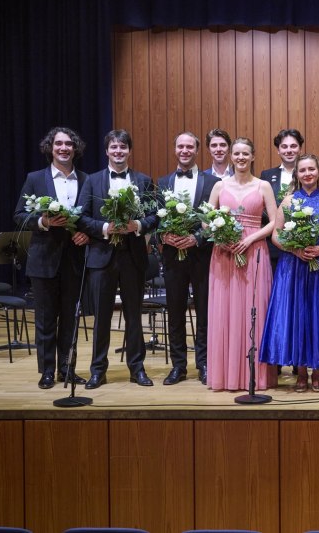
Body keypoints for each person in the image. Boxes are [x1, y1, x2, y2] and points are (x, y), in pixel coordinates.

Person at [260, 154, 319, 392]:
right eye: (302, 170)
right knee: (297, 316)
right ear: (296, 175)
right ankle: (300, 371)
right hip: (294, 266)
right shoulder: (288, 201)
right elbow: (276, 234)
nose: (307, 174)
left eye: (311, 169)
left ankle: (317, 371)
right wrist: (294, 249)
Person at [78, 129, 157, 389]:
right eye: (114, 147)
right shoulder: (92, 180)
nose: (118, 151)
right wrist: (105, 228)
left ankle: (137, 368)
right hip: (102, 257)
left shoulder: (144, 180)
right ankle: (98, 371)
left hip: (133, 257)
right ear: (107, 151)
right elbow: (81, 216)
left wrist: (137, 225)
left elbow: (155, 215)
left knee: (134, 315)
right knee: (101, 317)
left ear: (129, 151)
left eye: (123, 147)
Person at [12, 127, 90, 389]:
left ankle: (66, 369)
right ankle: (47, 371)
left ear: (75, 149)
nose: (64, 148)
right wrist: (43, 222)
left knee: (70, 319)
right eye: (59, 144)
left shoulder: (86, 179)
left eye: (69, 144)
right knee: (45, 319)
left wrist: (87, 234)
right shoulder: (35, 178)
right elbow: (19, 215)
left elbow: (91, 218)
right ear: (51, 147)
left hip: (75, 260)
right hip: (43, 259)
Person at [206, 138, 278, 391]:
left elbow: (274, 222)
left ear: (253, 156)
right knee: (224, 311)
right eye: (236, 153)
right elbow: (206, 220)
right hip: (224, 253)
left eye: (245, 153)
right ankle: (225, 376)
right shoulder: (219, 186)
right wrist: (221, 238)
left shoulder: (263, 186)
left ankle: (254, 377)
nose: (240, 158)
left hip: (254, 251)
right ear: (231, 156)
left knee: (253, 310)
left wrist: (250, 239)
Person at [156, 132, 219, 385]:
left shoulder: (213, 182)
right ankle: (178, 366)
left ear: (197, 150)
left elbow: (216, 220)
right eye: (180, 146)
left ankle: (204, 364)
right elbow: (155, 219)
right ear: (175, 149)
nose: (185, 150)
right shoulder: (162, 182)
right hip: (173, 257)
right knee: (175, 312)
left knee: (204, 312)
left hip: (202, 256)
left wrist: (196, 238)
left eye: (189, 147)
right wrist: (163, 236)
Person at [260, 128, 304, 273]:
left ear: (300, 148)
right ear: (278, 150)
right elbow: (262, 209)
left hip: (305, 244)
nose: (289, 150)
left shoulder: (310, 173)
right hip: (275, 245)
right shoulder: (267, 175)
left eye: (293, 146)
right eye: (284, 147)